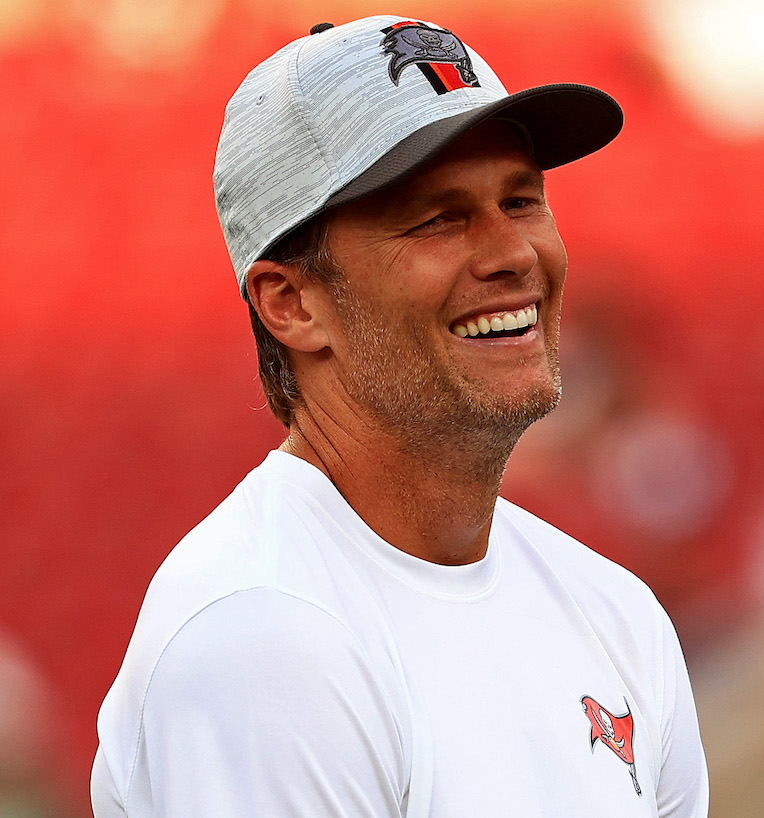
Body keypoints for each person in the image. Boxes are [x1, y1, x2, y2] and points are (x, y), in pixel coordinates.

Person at [91, 15, 709, 817]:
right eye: (438, 219)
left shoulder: (615, 614)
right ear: (292, 303)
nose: (513, 252)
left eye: (520, 200)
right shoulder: (263, 634)